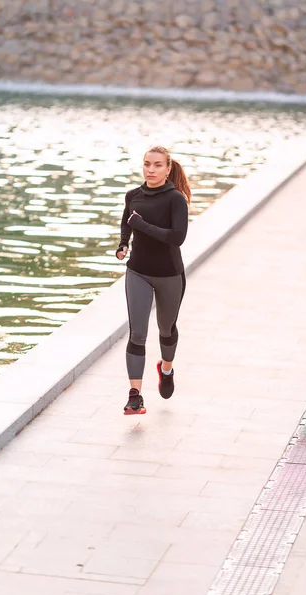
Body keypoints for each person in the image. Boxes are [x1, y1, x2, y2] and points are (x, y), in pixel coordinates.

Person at [116, 146, 191, 415]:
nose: (151, 169)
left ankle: (166, 369)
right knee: (137, 333)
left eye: (157, 165)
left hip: (169, 274)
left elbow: (177, 237)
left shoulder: (175, 199)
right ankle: (134, 396)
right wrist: (123, 244)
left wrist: (143, 226)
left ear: (168, 168)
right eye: (147, 164)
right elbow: (127, 222)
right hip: (138, 271)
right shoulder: (133, 196)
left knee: (166, 329)